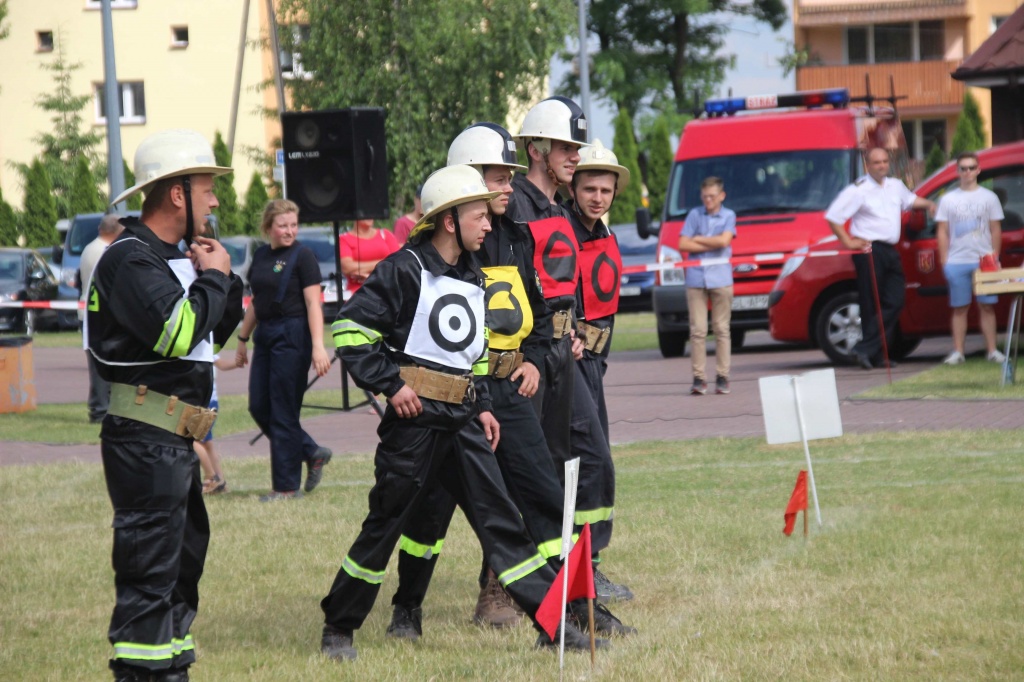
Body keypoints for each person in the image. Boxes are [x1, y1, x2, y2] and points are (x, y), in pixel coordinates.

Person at [320, 164, 606, 662]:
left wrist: (483, 408)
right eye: (480, 215)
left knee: (502, 523)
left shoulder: (474, 275)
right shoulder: (403, 268)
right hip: (413, 427)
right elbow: (348, 333)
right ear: (451, 221)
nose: (490, 224)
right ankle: (339, 627)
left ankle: (555, 625)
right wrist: (390, 386)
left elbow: (472, 355)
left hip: (464, 420)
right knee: (384, 525)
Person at [383, 125, 634, 638]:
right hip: (449, 399)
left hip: (508, 392)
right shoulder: (441, 251)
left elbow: (542, 315)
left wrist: (537, 362)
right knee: (429, 511)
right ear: (466, 184)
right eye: (497, 179)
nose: (507, 189)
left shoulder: (517, 238)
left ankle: (576, 611)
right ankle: (406, 609)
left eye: (507, 179)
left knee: (543, 499)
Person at [85, 128, 244, 682]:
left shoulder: (171, 259)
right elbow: (178, 334)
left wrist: (226, 282)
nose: (215, 200)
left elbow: (212, 336)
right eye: (206, 188)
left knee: (181, 571)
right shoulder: (129, 261)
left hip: (172, 442)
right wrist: (215, 278)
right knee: (149, 578)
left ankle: (171, 670)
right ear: (176, 194)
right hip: (145, 442)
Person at [563, 140, 634, 601]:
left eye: (605, 190)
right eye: (590, 188)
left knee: (591, 462)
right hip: (566, 364)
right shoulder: (561, 230)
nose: (598, 197)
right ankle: (584, 569)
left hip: (594, 364)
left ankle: (586, 567)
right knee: (593, 463)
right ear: (574, 188)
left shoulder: (603, 233)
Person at [507, 96, 588, 469]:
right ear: (536, 149)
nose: (575, 157)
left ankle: (558, 530)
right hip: (528, 353)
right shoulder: (512, 208)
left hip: (562, 351)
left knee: (560, 456)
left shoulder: (562, 210)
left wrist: (575, 331)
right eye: (566, 148)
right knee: (529, 461)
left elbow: (565, 284)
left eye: (577, 149)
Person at [235, 200, 333, 501]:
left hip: (293, 334)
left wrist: (318, 346)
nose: (289, 231)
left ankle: (286, 488)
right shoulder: (262, 255)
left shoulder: (303, 256)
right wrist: (242, 338)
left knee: (283, 411)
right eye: (283, 225)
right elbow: (257, 301)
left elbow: (313, 304)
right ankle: (310, 451)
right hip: (265, 334)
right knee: (259, 406)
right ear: (268, 228)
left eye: (293, 224)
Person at [826, 147, 935, 370]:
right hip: (869, 249)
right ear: (868, 165)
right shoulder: (858, 190)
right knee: (871, 304)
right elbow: (834, 217)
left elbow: (911, 200)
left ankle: (865, 348)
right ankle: (875, 354)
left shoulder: (895, 186)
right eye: (877, 162)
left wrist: (930, 204)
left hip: (890, 250)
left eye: (885, 161)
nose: (882, 166)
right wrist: (848, 241)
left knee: (895, 301)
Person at [935, 151, 1005, 365]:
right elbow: (942, 231)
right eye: (963, 168)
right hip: (957, 260)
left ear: (978, 170)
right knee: (959, 307)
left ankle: (992, 351)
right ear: (957, 171)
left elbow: (995, 229)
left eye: (971, 168)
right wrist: (944, 261)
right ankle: (958, 352)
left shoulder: (989, 197)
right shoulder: (947, 199)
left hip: (984, 260)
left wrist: (995, 256)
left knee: (987, 307)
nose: (967, 172)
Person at [678, 176, 737, 395]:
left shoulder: (729, 215)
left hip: (721, 278)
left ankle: (722, 376)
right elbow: (682, 243)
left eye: (712, 197)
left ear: (722, 196)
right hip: (696, 278)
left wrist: (699, 239)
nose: (708, 201)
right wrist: (711, 241)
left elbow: (724, 242)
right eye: (705, 197)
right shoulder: (695, 214)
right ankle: (699, 377)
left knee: (722, 329)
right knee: (698, 330)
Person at [78, 213, 124, 423]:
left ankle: (103, 408)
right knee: (101, 366)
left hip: (92, 312)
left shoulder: (90, 248)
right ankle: (99, 410)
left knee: (102, 364)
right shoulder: (105, 252)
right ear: (116, 231)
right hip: (100, 314)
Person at [193, 353, 239, 494]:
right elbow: (221, 363)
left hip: (202, 402)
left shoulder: (196, 348)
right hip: (212, 402)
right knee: (207, 443)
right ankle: (221, 482)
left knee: (191, 440)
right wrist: (237, 362)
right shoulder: (206, 345)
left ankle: (211, 478)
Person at [338, 218, 401, 292]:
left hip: (387, 291)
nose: (369, 216)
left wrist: (369, 277)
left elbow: (398, 262)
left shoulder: (386, 235)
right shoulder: (344, 239)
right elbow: (347, 267)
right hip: (358, 293)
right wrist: (386, 262)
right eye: (365, 213)